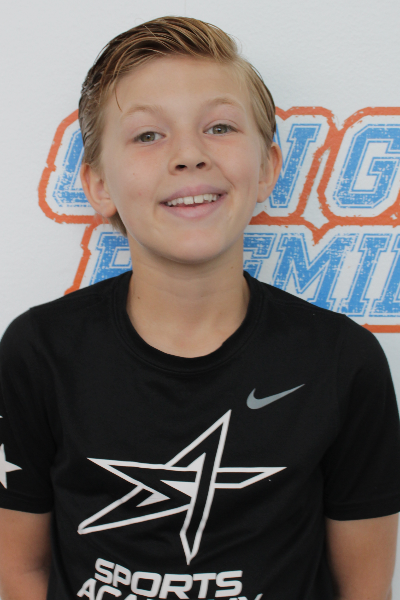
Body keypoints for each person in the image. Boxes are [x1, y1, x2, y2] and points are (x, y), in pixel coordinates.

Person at [0, 15, 399, 600]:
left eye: (219, 126)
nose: (189, 155)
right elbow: (19, 571)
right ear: (99, 184)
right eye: (147, 135)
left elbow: (364, 587)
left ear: (267, 168)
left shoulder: (342, 360)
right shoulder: (40, 351)